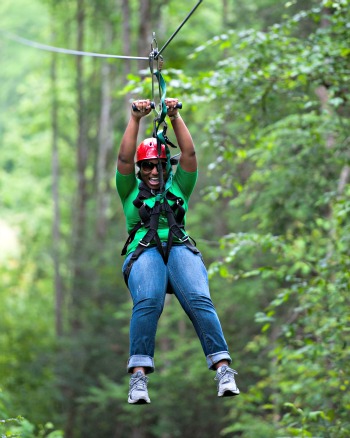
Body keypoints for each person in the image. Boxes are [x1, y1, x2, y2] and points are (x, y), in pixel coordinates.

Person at [116, 97, 240, 404]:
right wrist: (135, 120)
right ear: (141, 168)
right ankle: (139, 377)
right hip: (144, 251)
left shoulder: (179, 186)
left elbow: (190, 152)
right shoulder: (129, 189)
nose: (154, 172)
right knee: (148, 301)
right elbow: (122, 159)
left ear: (165, 165)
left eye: (158, 165)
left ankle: (223, 369)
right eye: (147, 167)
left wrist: (173, 117)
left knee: (200, 300)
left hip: (179, 248)